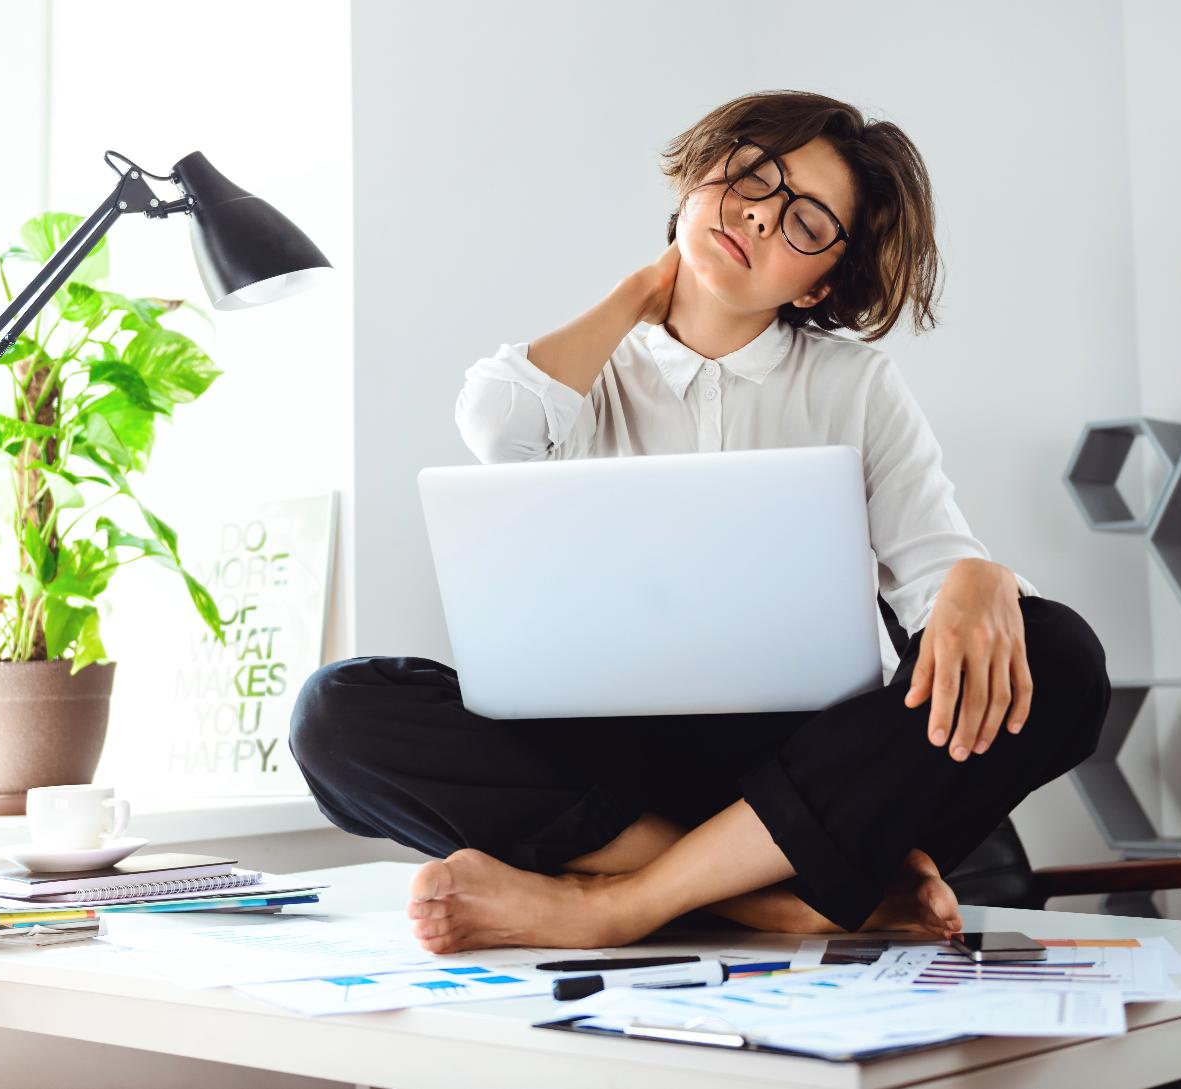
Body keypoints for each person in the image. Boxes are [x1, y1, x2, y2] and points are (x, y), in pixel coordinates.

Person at [290, 90, 1110, 953]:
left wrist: (982, 580)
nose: (759, 214)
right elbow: (495, 424)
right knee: (335, 711)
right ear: (695, 178)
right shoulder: (589, 373)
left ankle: (614, 904)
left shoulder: (854, 385)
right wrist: (638, 292)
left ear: (822, 280)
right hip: (611, 764)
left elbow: (938, 591)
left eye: (806, 222)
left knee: (1060, 657)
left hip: (805, 770)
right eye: (751, 176)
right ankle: (764, 900)